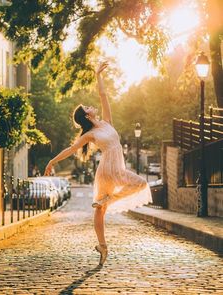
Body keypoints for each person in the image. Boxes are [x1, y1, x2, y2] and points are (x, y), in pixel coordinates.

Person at [44, 62, 152, 266]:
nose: (90, 105)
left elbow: (104, 96)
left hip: (113, 170)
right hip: (109, 170)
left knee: (101, 209)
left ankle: (102, 245)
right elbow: (71, 150)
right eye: (86, 107)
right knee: (139, 184)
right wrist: (52, 160)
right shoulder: (91, 134)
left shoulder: (106, 123)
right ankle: (107, 204)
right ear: (87, 115)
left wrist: (98, 75)